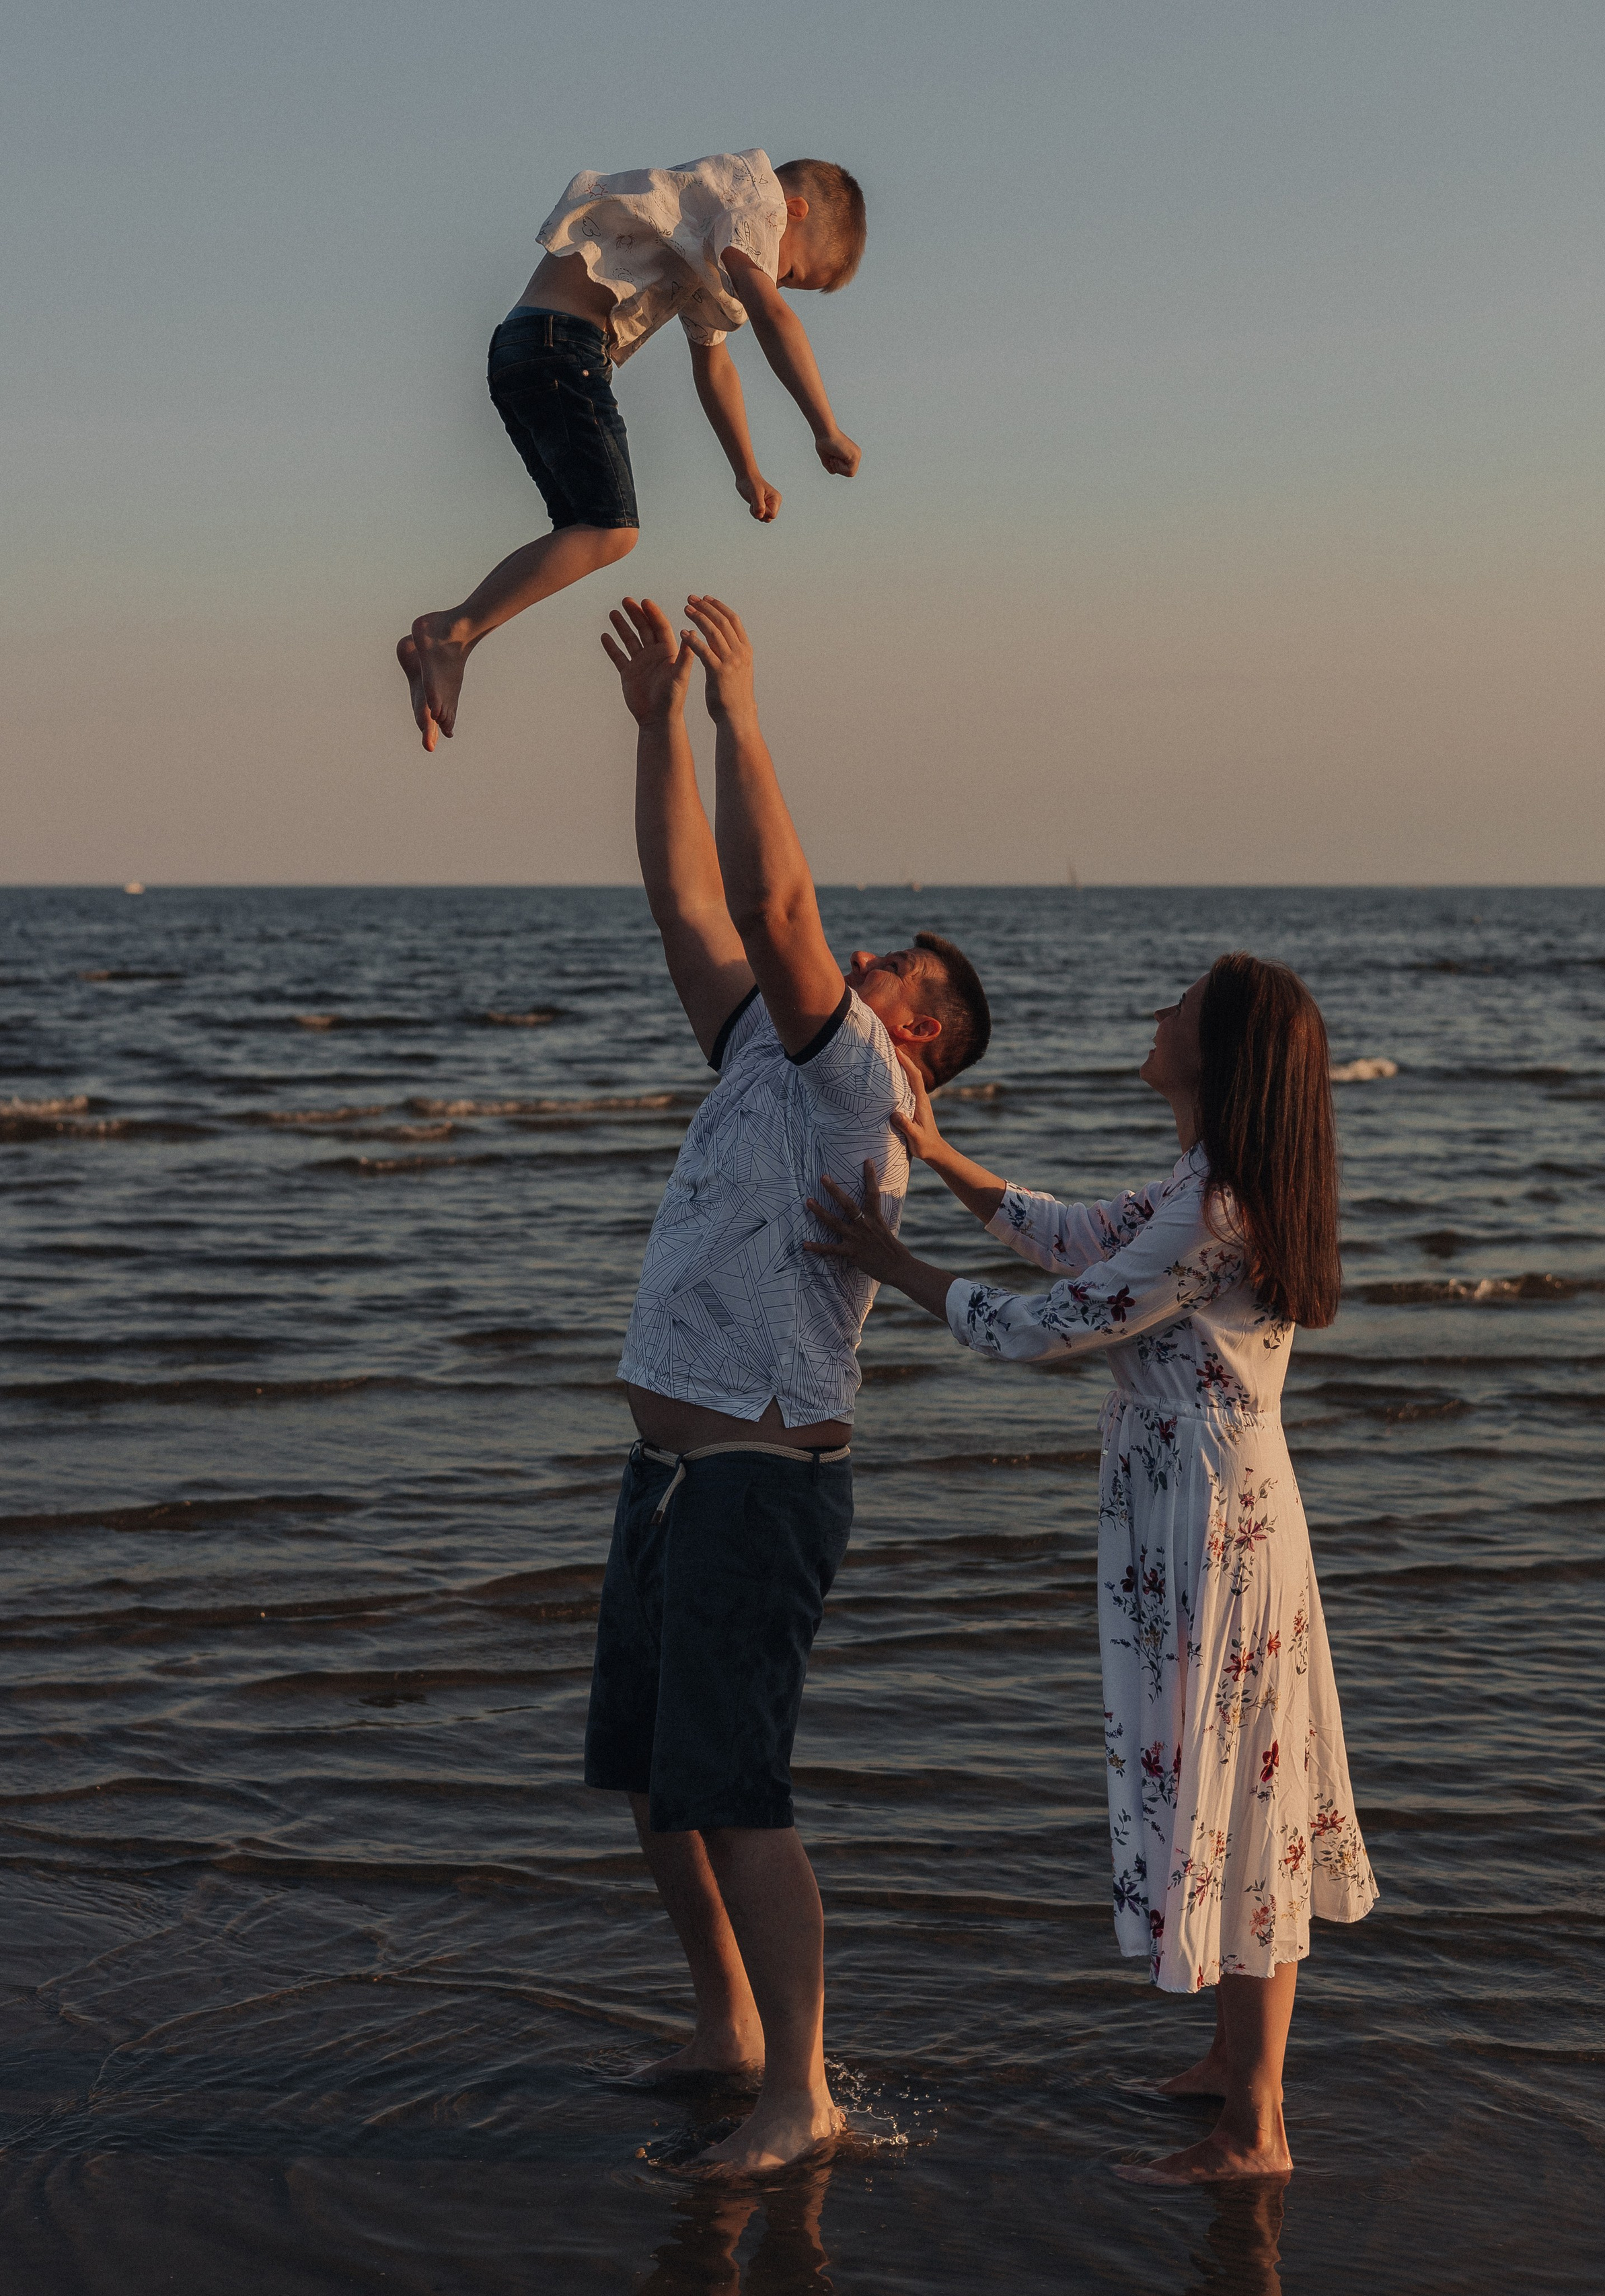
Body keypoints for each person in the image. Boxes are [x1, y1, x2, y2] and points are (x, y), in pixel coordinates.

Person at [806, 953, 1378, 2182]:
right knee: (1222, 1778)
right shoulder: (1205, 1183)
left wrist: (888, 1260)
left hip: (1214, 1528)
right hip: (1193, 1516)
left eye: (1178, 1006)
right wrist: (946, 1156)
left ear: (1217, 1057)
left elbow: (1046, 1323)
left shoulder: (1219, 1207)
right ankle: (1235, 2063)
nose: (1156, 1012)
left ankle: (1257, 2127)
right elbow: (1077, 1237)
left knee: (1245, 1795)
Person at [586, 590, 991, 2175]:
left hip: (761, 1479)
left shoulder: (858, 1072)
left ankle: (798, 2092)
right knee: (650, 1780)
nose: (871, 955)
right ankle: (727, 2027)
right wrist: (653, 729)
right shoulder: (773, 1040)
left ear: (921, 1035)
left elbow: (769, 887)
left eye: (906, 968)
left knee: (736, 1793)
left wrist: (739, 709)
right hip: (677, 1471)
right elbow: (691, 897)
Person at [396, 154, 866, 752]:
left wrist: (746, 470)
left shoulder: (709, 225)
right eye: (793, 271)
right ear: (792, 212)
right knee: (612, 531)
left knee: (582, 533)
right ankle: (450, 632)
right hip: (564, 348)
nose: (775, 282)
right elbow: (773, 315)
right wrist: (824, 426)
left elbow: (714, 364)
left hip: (522, 348)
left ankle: (450, 641)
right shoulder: (754, 202)